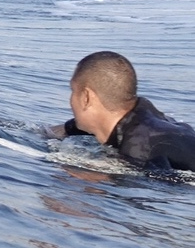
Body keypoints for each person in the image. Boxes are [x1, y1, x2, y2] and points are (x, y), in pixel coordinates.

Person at [47, 51, 195, 172]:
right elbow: (53, 131)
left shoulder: (138, 147)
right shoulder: (141, 114)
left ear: (86, 98)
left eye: (73, 91)